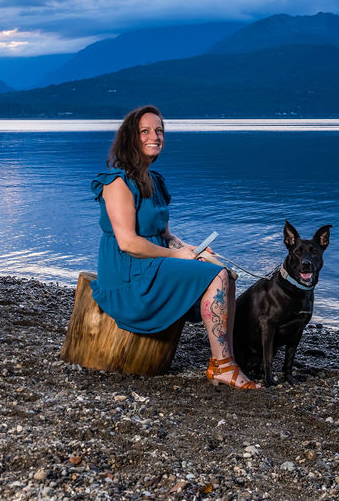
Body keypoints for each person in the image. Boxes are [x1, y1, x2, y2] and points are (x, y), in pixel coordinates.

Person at [90, 105, 259, 389]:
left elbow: (165, 234)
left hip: (154, 264)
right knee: (214, 277)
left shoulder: (154, 181)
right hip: (128, 276)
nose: (154, 136)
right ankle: (222, 366)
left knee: (223, 272)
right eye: (145, 131)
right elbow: (128, 243)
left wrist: (194, 250)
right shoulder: (117, 182)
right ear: (130, 137)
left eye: (159, 131)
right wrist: (176, 255)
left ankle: (226, 358)